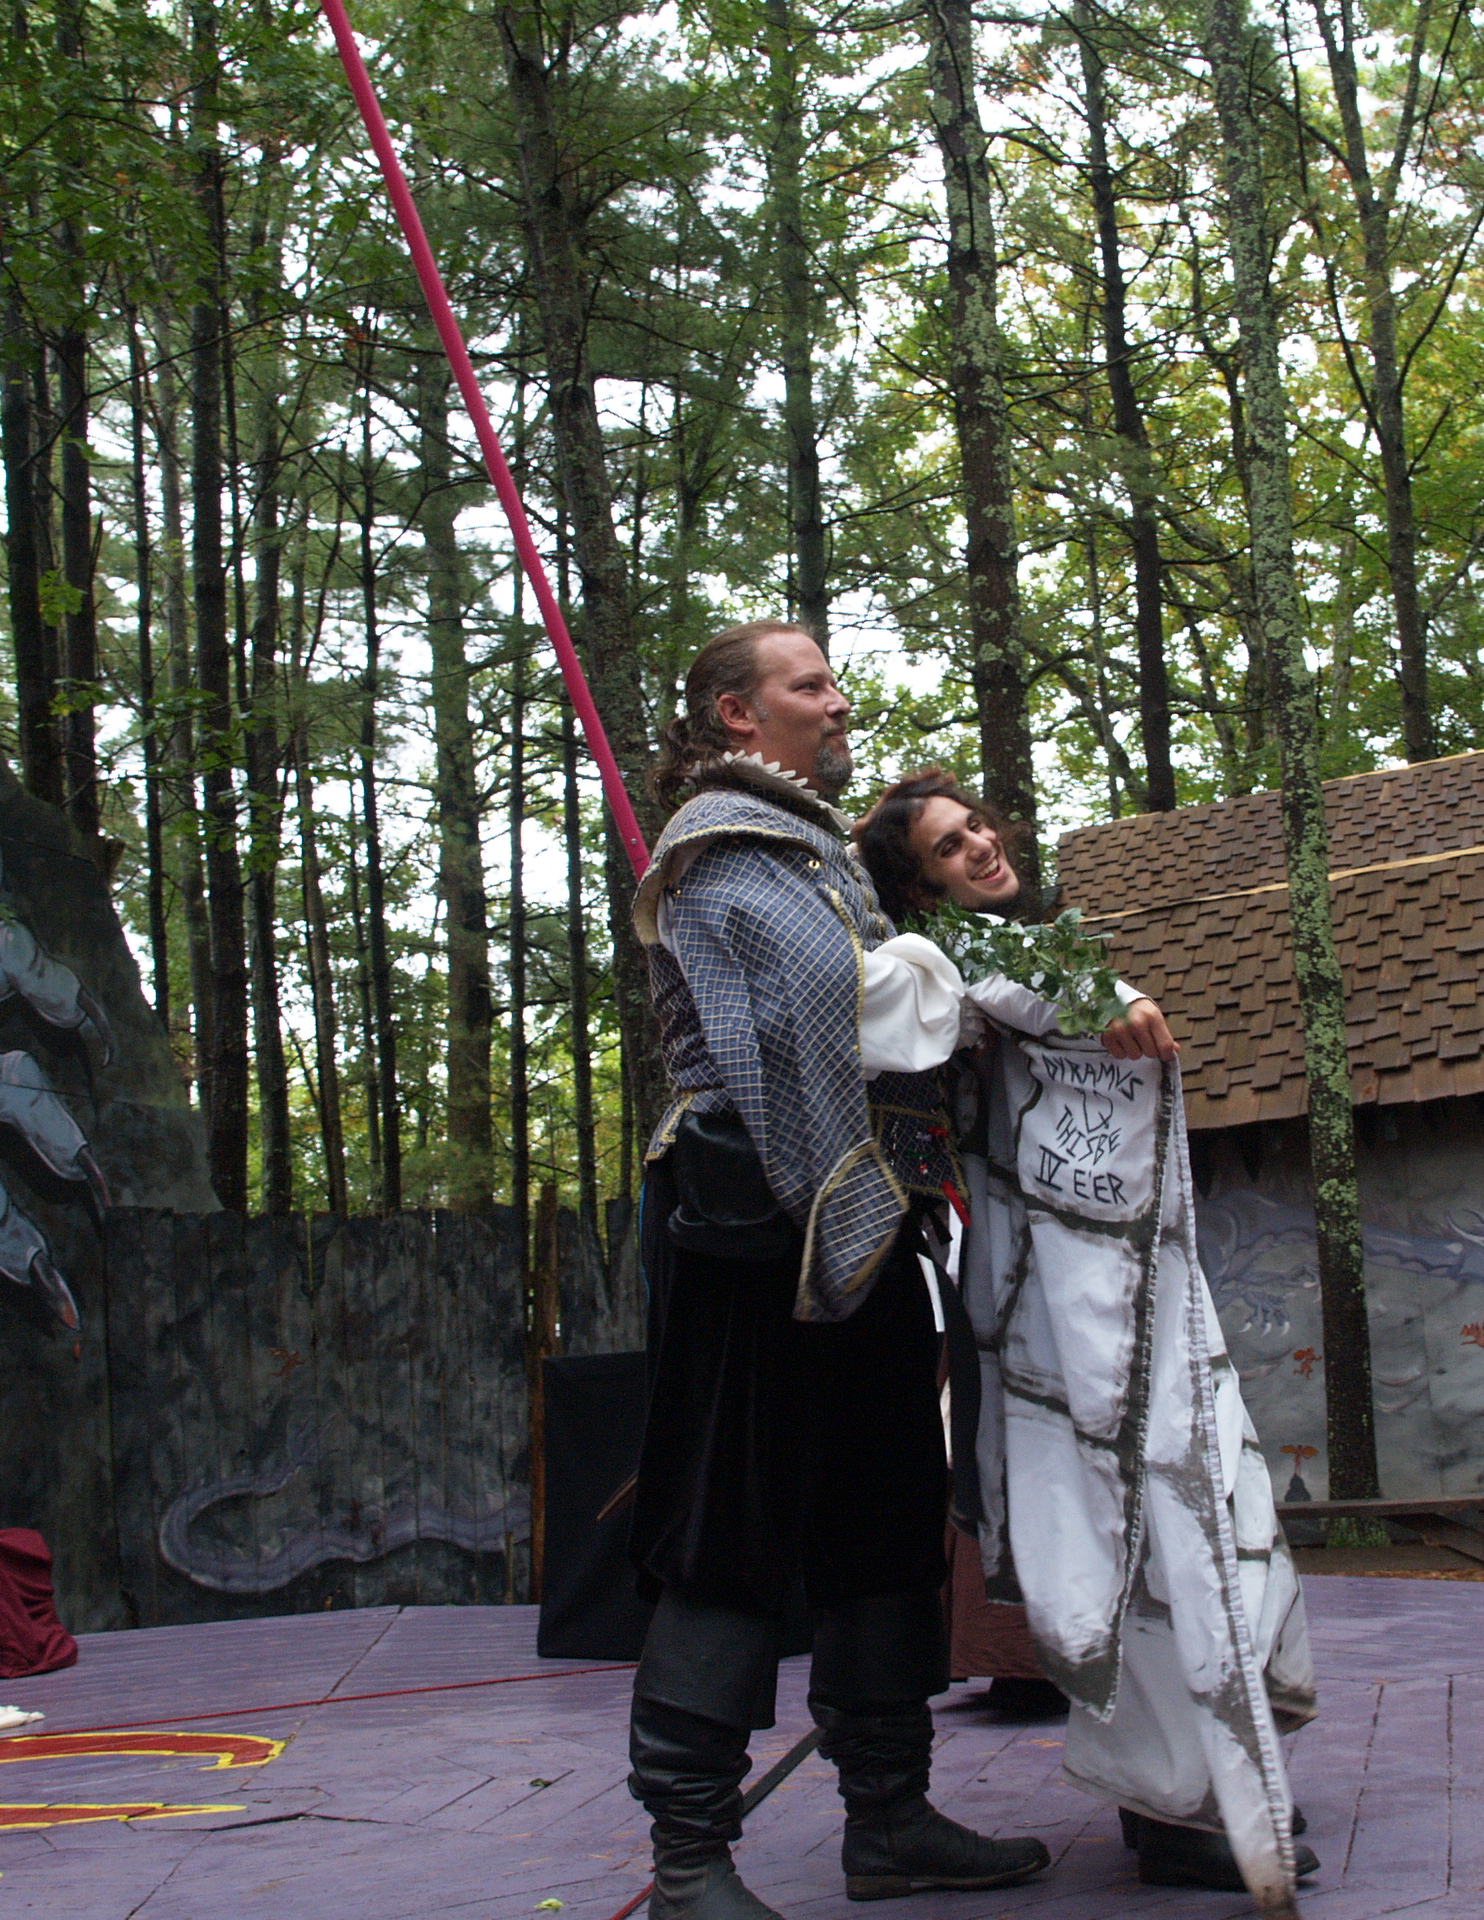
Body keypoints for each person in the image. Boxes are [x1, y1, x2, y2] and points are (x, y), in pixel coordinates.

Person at [622, 626, 1050, 1920]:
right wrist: (934, 986)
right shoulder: (720, 848)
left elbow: (879, 1013)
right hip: (752, 1228)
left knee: (883, 1517)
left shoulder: (805, 845)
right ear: (737, 713)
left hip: (868, 1219)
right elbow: (820, 1010)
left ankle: (890, 1819)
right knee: (728, 1532)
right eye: (809, 684)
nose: (838, 700)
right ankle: (691, 1861)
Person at [857, 769, 1317, 1906]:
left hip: (1141, 1291)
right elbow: (1017, 997)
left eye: (978, 825)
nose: (980, 844)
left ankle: (1222, 1762)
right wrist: (1103, 998)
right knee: (1135, 1526)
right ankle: (1174, 1802)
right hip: (1058, 1316)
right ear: (922, 888)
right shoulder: (950, 972)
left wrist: (1099, 990)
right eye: (948, 846)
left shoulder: (1025, 953)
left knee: (1217, 1509)